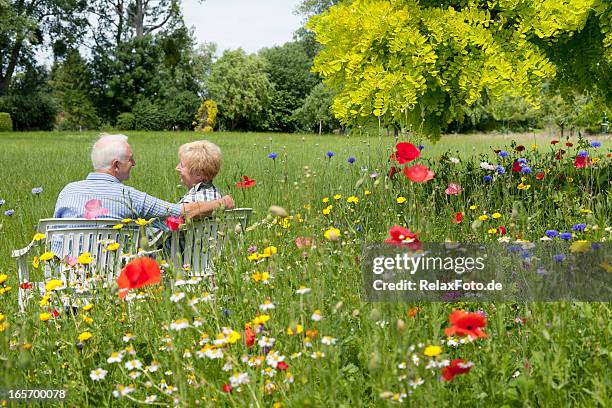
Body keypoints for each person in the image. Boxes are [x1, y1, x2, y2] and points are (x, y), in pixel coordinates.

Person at [54, 133, 234, 221]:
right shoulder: (130, 197)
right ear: (116, 165)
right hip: (111, 274)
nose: (134, 163)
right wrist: (224, 202)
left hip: (63, 277)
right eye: (130, 159)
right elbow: (184, 213)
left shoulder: (67, 191)